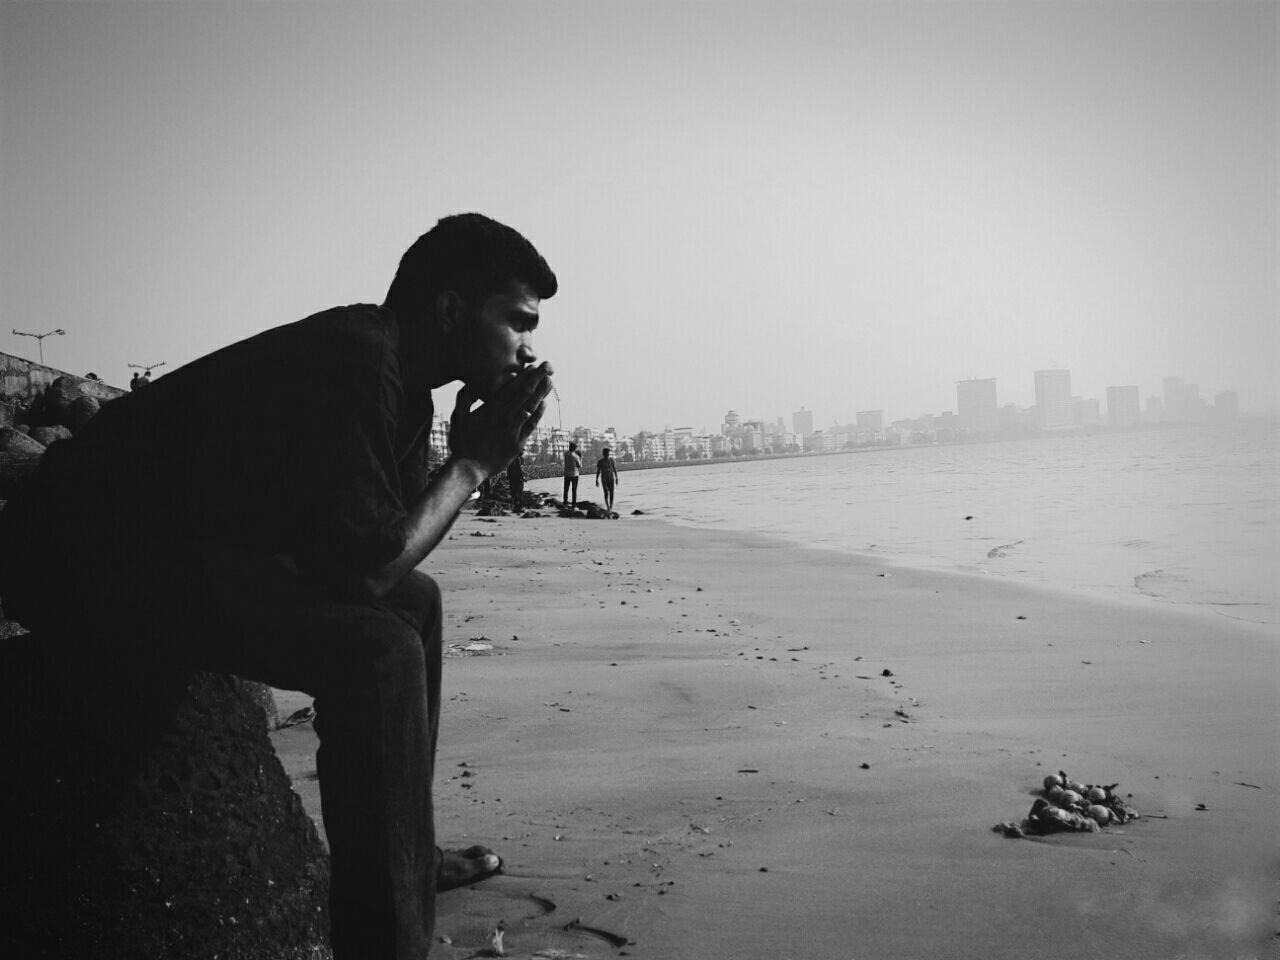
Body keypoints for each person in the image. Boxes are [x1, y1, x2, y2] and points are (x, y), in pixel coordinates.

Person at [0, 212, 557, 960]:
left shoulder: (404, 387)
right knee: (379, 652)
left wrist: (458, 453)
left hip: (187, 556)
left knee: (415, 606)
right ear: (453, 310)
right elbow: (366, 569)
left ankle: (406, 864)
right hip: (77, 558)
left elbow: (382, 552)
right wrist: (473, 466)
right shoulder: (356, 354)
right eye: (518, 323)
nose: (529, 346)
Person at [594, 446, 619, 511]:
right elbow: (598, 471)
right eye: (606, 453)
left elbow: (614, 469)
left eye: (608, 453)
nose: (607, 454)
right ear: (603, 453)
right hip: (604, 479)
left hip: (611, 478)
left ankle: (610, 506)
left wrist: (616, 478)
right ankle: (608, 506)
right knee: (606, 492)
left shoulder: (611, 460)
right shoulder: (600, 461)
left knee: (612, 493)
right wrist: (596, 480)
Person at [562, 440, 582, 508]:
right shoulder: (576, 457)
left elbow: (569, 452)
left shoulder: (566, 454)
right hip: (574, 474)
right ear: (574, 449)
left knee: (566, 489)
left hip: (567, 473)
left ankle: (565, 502)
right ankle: (574, 504)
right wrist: (580, 457)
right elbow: (579, 466)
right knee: (574, 490)